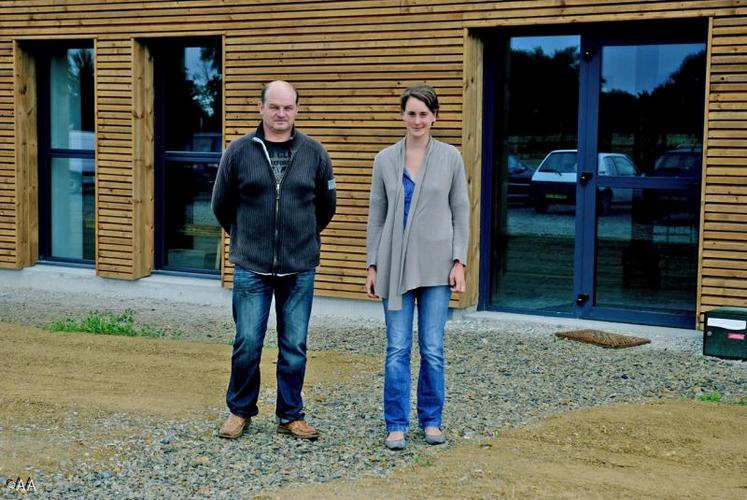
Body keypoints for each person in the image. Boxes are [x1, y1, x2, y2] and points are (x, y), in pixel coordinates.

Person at [212, 80, 336, 440]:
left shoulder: (315, 153)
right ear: (261, 108)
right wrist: (246, 238)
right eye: (275, 107)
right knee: (248, 341)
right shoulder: (238, 152)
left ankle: (290, 415)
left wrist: (304, 236)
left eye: (288, 108)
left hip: (299, 267)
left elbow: (326, 207)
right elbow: (221, 204)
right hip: (252, 266)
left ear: (297, 110)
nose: (282, 114)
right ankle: (240, 411)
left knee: (294, 345)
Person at [365, 84, 469, 450]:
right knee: (396, 348)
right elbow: (376, 216)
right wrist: (372, 264)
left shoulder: (451, 158)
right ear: (402, 116)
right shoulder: (384, 160)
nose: (418, 120)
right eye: (411, 113)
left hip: (438, 268)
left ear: (435, 117)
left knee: (432, 348)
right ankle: (395, 422)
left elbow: (461, 212)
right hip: (394, 268)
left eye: (424, 114)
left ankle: (431, 420)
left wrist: (460, 261)